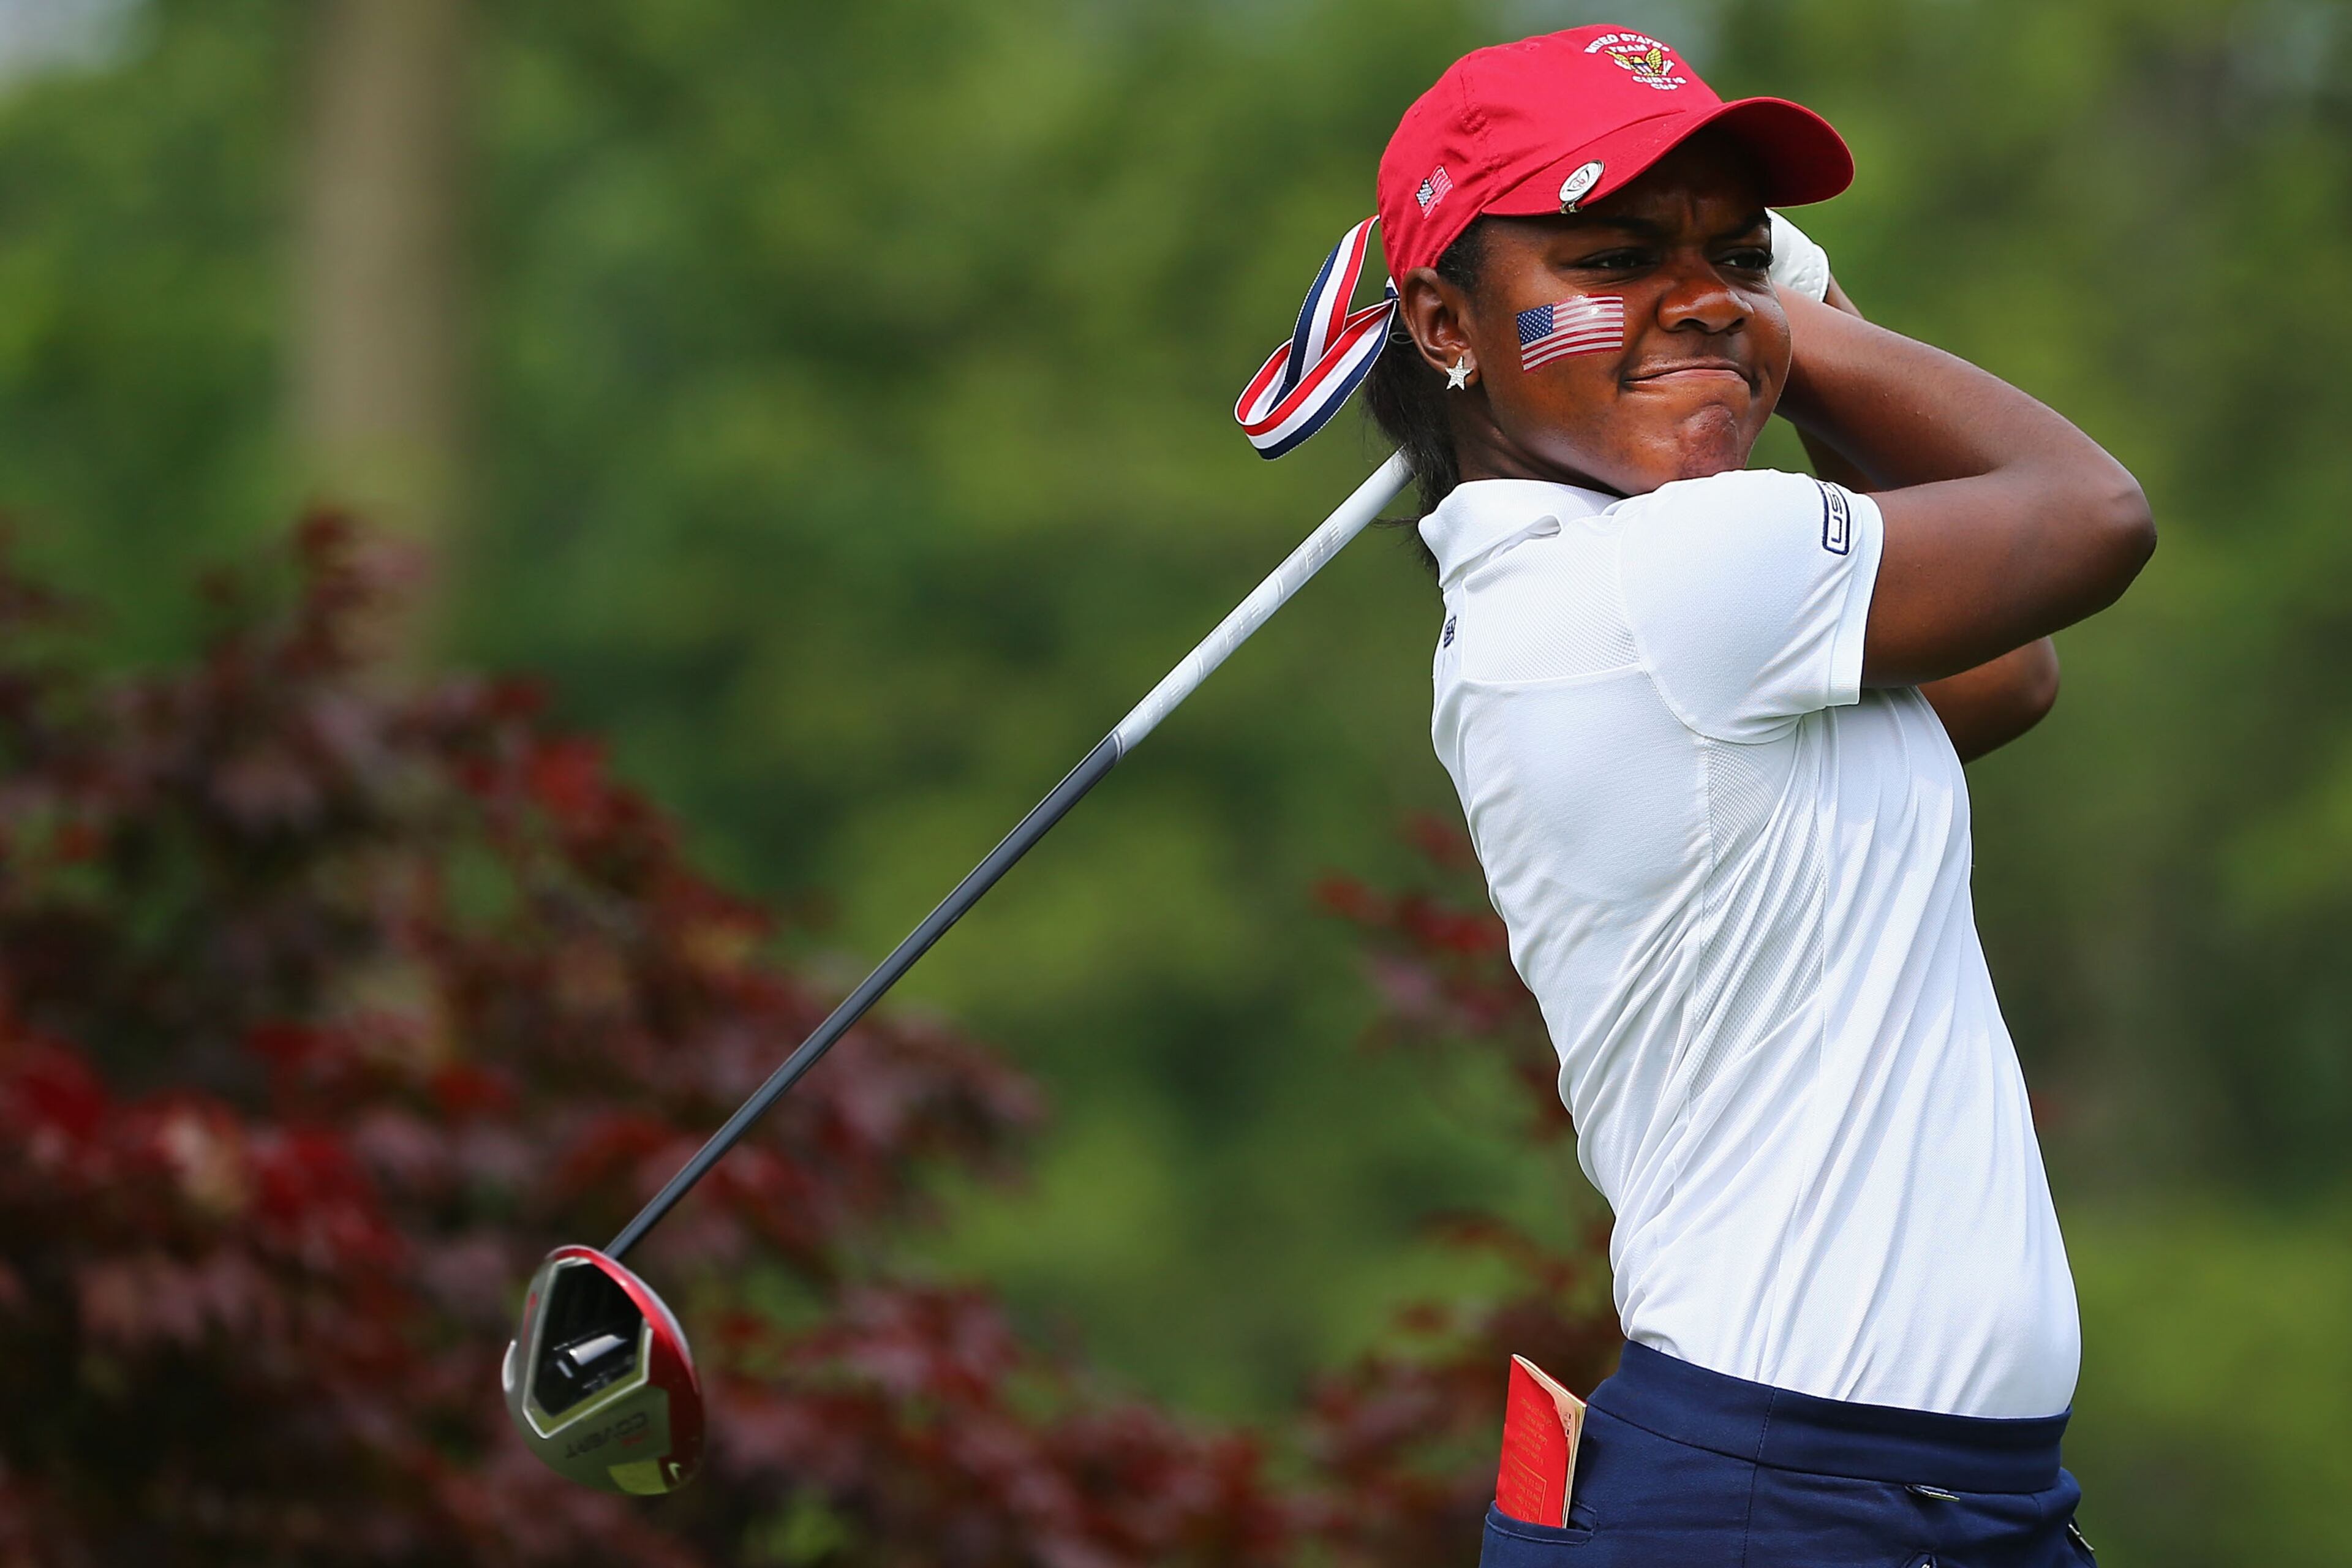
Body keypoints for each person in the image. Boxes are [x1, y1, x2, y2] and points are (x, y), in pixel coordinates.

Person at [1237, 25, 2152, 1567]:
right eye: (1612, 258)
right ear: (1445, 321)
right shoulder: (1671, 579)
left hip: (1907, 1498)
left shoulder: (1641, 592)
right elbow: (2092, 513)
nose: (1703, 295)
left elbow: (2008, 673)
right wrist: (1771, 317)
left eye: (1736, 248)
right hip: (1783, 1500)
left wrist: (1724, 312)